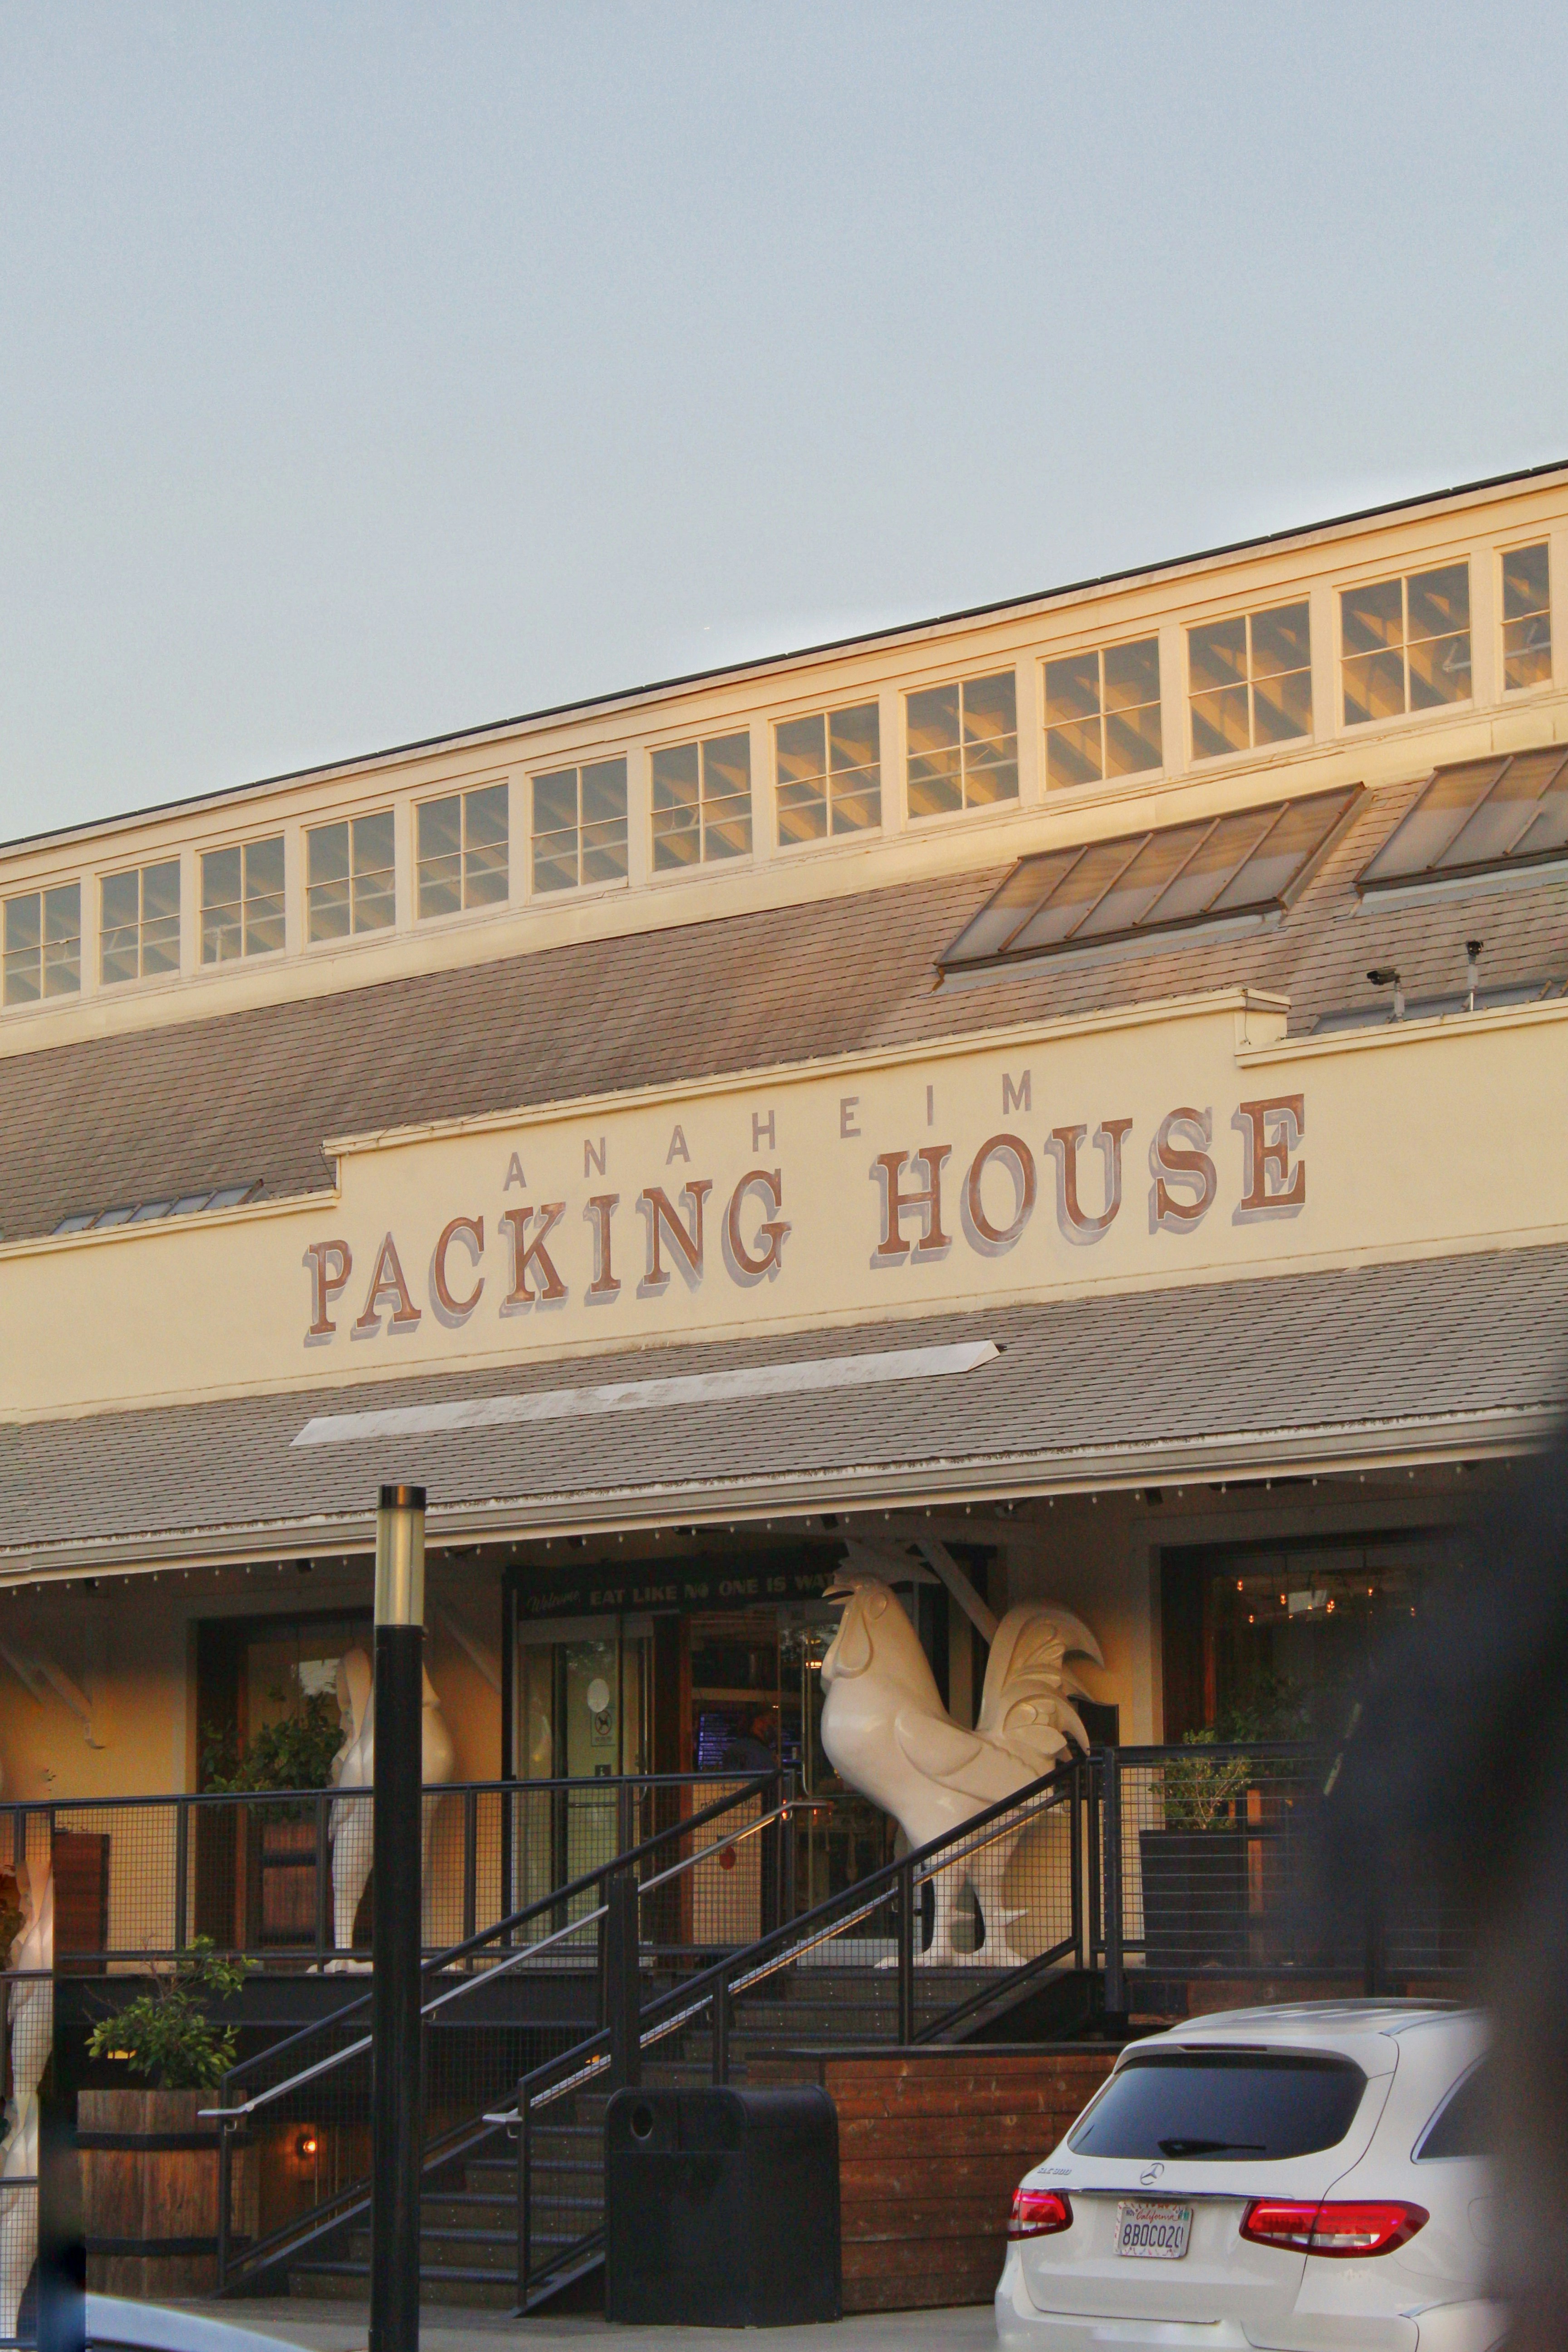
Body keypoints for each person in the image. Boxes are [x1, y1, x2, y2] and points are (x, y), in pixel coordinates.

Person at [721, 1708, 777, 1774]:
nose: (774, 1727)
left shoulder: (735, 1748)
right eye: (772, 1722)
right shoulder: (759, 1751)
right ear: (759, 1722)